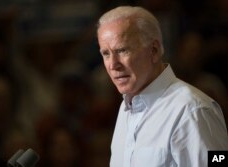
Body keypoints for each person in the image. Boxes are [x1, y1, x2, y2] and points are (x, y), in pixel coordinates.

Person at [96, 6, 228, 167]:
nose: (113, 64)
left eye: (122, 50)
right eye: (106, 54)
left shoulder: (192, 110)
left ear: (154, 50)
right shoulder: (126, 107)